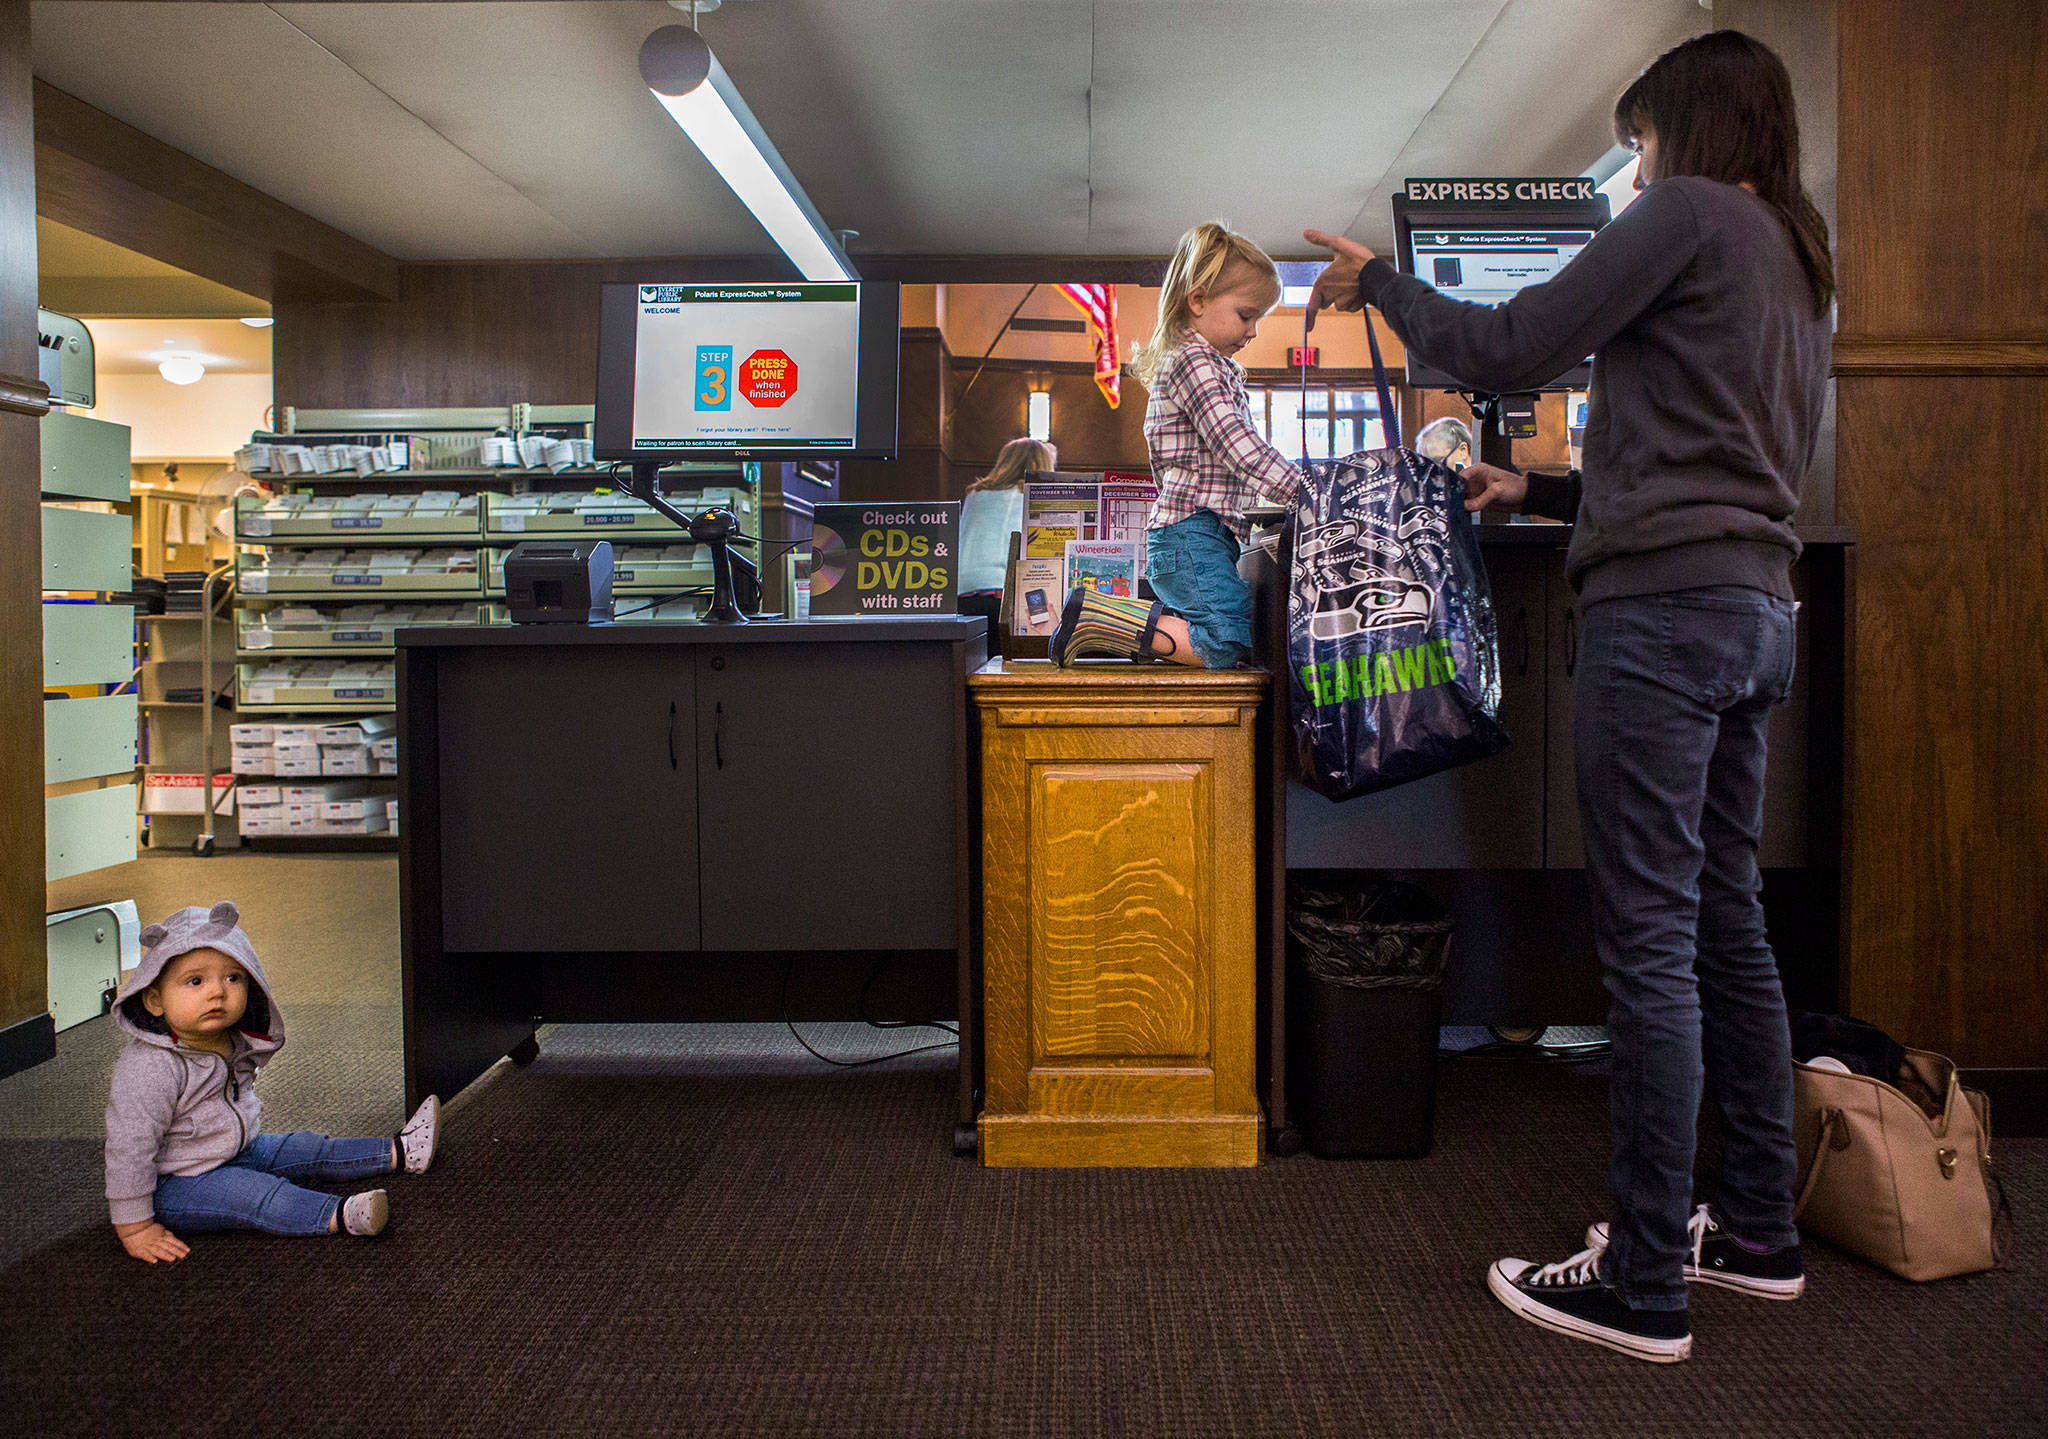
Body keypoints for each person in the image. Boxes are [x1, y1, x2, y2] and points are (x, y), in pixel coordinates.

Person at [1308, 29, 1832, 1363]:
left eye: (1644, 141)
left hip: (1663, 620)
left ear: (1686, 134)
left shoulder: (1686, 215)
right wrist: (1534, 489)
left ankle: (1645, 1275)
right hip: (1759, 611)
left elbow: (1508, 346)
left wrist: (1382, 284)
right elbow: (1709, 459)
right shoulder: (1790, 253)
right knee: (1728, 923)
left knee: (1648, 939)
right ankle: (1759, 1227)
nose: (1638, 165)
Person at [106, 901, 441, 1262]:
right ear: (154, 1000)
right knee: (258, 1194)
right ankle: (341, 1214)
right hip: (176, 1185)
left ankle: (401, 1152)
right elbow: (130, 1147)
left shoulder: (231, 1039)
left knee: (308, 1147)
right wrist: (135, 1226)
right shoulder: (150, 1068)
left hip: (239, 1151)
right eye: (195, 981)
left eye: (233, 977)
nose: (217, 991)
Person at [1048, 221, 1304, 667]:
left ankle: (1104, 620)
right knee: (1225, 641)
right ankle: (1094, 616)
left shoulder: (1205, 364)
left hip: (1198, 533)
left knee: (1229, 629)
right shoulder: (1193, 362)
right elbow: (1239, 447)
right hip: (1192, 533)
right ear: (1199, 299)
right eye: (1247, 315)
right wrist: (1310, 490)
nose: (1254, 331)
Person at [958, 437, 1056, 622]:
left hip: (963, 591)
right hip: (1005, 592)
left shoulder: (975, 495)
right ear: (1042, 465)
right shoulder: (1031, 495)